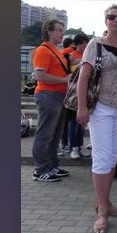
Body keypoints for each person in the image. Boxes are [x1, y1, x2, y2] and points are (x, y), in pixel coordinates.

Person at [76, 5, 117, 233]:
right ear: (106, 21)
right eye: (111, 17)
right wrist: (82, 107)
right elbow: (84, 77)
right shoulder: (96, 45)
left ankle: (106, 202)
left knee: (112, 158)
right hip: (102, 108)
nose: (116, 20)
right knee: (102, 159)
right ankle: (102, 210)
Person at [31, 19, 71, 182]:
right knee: (45, 134)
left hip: (57, 96)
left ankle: (52, 165)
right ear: (49, 31)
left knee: (55, 135)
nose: (62, 33)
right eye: (59, 30)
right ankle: (41, 170)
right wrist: (65, 80)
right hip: (48, 95)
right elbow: (40, 75)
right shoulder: (43, 50)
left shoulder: (55, 51)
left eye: (63, 30)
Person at [60, 34, 90, 159]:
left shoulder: (89, 55)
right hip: (72, 94)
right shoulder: (70, 56)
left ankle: (79, 147)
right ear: (76, 44)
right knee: (73, 122)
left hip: (85, 93)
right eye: (81, 43)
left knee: (82, 123)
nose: (84, 45)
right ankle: (73, 148)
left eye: (86, 42)